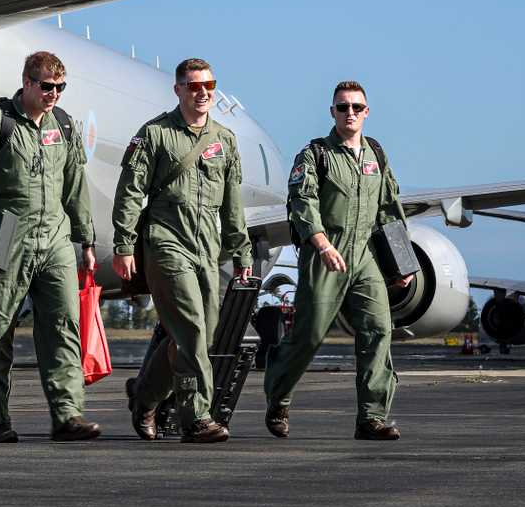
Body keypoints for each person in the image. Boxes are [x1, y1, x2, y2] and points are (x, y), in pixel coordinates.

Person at [0, 51, 101, 443]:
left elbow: (75, 185)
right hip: (7, 233)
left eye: (60, 88)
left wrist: (86, 238)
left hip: (55, 236)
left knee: (64, 326)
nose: (54, 95)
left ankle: (67, 415)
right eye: (47, 87)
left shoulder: (64, 125)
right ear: (27, 82)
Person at [112, 58, 253, 443]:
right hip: (165, 240)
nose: (203, 91)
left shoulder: (224, 139)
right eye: (193, 86)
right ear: (178, 90)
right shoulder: (155, 134)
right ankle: (197, 417)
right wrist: (124, 245)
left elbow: (232, 205)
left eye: (209, 84)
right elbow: (129, 192)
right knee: (190, 327)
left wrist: (242, 253)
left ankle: (145, 396)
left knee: (196, 337)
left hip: (207, 247)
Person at [263, 80, 410, 441]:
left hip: (365, 256)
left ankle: (372, 417)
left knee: (378, 330)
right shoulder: (315, 155)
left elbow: (389, 208)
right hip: (324, 253)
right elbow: (302, 201)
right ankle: (279, 396)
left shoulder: (376, 154)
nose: (350, 113)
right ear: (332, 112)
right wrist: (322, 244)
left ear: (367, 112)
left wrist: (400, 263)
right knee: (309, 335)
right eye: (343, 107)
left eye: (356, 107)